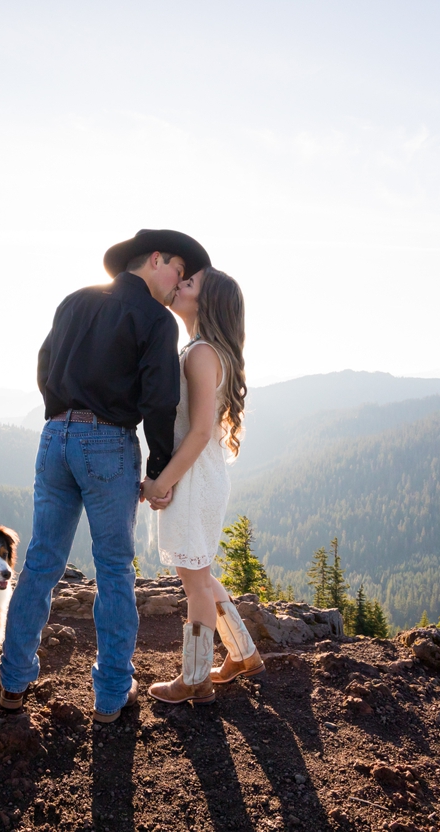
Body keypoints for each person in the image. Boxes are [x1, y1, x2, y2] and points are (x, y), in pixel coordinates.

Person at [0, 229, 211, 723]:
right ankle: (112, 696)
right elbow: (160, 399)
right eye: (177, 272)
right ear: (156, 260)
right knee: (113, 566)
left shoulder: (74, 301)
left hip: (54, 437)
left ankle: (13, 681)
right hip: (108, 443)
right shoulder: (155, 320)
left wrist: (62, 411)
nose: (175, 285)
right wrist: (160, 468)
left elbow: (44, 364)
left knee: (43, 560)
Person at [145, 266, 261, 705]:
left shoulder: (199, 354)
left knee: (193, 583)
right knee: (200, 573)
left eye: (188, 284)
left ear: (206, 303)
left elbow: (196, 433)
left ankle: (194, 678)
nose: (179, 287)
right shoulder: (205, 351)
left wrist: (160, 484)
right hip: (202, 475)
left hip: (193, 478)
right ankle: (243, 653)